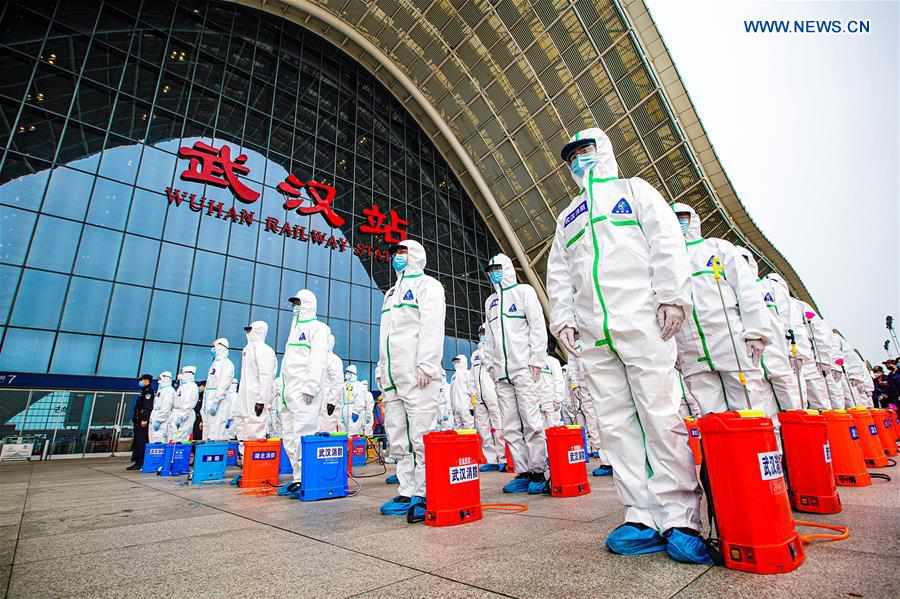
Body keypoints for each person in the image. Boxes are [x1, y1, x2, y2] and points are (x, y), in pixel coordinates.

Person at [546, 127, 708, 564]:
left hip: (642, 320)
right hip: (595, 333)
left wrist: (673, 296)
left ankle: (680, 518)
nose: (580, 160)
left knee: (660, 415)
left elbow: (666, 243)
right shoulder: (569, 217)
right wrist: (562, 319)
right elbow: (559, 274)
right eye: (573, 156)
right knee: (616, 424)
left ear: (605, 150)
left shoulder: (634, 191)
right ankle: (640, 513)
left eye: (586, 151)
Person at [671, 203, 775, 419]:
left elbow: (746, 291)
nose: (679, 223)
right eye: (674, 218)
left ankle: (761, 451)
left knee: (750, 411)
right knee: (713, 419)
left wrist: (756, 332)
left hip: (731, 343)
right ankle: (726, 453)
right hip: (692, 351)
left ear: (694, 219)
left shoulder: (717, 248)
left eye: (683, 217)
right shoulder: (667, 260)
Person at [377, 239, 445, 519]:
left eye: (402, 252)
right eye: (394, 253)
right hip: (393, 376)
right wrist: (382, 370)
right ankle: (406, 489)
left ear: (415, 255)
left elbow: (432, 325)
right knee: (398, 436)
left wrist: (427, 364)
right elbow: (386, 335)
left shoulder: (428, 286)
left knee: (420, 435)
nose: (397, 257)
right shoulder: (391, 292)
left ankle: (424, 492)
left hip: (418, 374)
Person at [483, 253, 549, 495]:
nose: (494, 272)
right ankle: (522, 471)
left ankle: (538, 469)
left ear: (508, 268)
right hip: (501, 373)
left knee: (531, 420)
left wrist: (536, 360)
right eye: (491, 269)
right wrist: (491, 366)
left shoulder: (524, 292)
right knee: (509, 425)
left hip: (524, 369)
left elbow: (537, 326)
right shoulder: (490, 302)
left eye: (499, 268)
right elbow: (489, 339)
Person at [735, 246, 802, 413]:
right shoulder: (734, 291)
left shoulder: (769, 288)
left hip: (778, 356)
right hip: (753, 361)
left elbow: (790, 322)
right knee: (765, 411)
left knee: (793, 407)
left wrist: (796, 351)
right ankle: (776, 440)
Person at [278, 289, 331, 495]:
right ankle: (297, 477)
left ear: (309, 304)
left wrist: (310, 386)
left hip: (304, 392)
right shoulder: (293, 331)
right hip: (288, 392)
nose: (296, 308)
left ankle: (307, 478)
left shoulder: (318, 328)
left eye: (299, 303)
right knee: (289, 436)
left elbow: (318, 359)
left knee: (303, 433)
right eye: (294, 304)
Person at [564, 357, 612, 477]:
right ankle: (606, 462)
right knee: (593, 426)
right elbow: (572, 366)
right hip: (585, 389)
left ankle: (617, 460)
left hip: (603, 384)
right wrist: (575, 385)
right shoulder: (573, 344)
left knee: (609, 422)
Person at [235, 321, 277, 443]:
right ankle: (244, 456)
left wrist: (262, 400)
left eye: (250, 330)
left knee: (255, 426)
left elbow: (266, 376)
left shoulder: (265, 350)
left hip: (256, 397)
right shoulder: (247, 349)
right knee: (242, 425)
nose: (248, 333)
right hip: (244, 396)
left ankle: (253, 459)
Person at [470, 326, 505, 472]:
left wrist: (486, 348)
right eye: (480, 333)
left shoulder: (493, 350)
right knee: (483, 428)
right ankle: (490, 459)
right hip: (479, 395)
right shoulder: (475, 354)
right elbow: (472, 375)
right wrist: (472, 397)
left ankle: (503, 458)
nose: (482, 336)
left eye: (484, 333)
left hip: (491, 392)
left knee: (498, 426)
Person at [203, 338, 234, 440]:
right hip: (209, 400)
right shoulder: (214, 364)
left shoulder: (227, 364)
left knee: (216, 430)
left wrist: (216, 401)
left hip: (219, 402)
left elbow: (224, 384)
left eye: (215, 347)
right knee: (208, 430)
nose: (213, 349)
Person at [128, 374, 155, 470]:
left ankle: (140, 462)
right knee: (137, 442)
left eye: (142, 380)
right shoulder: (143, 391)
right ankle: (137, 461)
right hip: (138, 421)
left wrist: (145, 419)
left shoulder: (148, 392)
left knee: (141, 442)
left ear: (147, 381)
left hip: (142, 422)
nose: (140, 382)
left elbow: (147, 407)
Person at [319, 334, 344, 432]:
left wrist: (332, 402)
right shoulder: (319, 358)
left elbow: (337, 382)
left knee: (327, 431)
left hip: (327, 403)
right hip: (318, 401)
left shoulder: (334, 359)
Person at [169, 366, 198, 443]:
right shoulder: (182, 386)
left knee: (182, 438)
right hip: (177, 413)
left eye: (182, 372)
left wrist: (182, 416)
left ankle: (181, 454)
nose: (180, 374)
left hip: (185, 415)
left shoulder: (191, 386)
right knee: (173, 437)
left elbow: (188, 403)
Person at [338, 365, 369, 435]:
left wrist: (356, 411)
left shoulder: (359, 385)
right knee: (343, 432)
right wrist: (340, 414)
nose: (346, 374)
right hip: (345, 408)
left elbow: (360, 399)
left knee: (353, 432)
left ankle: (353, 445)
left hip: (353, 409)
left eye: (348, 373)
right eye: (346, 373)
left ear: (352, 374)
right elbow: (341, 399)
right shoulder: (343, 385)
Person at [539, 354, 566, 429]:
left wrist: (558, 399)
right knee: (540, 431)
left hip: (551, 402)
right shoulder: (532, 361)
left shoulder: (553, 361)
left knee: (553, 428)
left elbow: (559, 380)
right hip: (537, 402)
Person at [449, 355, 474, 429]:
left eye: (458, 361)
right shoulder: (454, 376)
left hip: (465, 407)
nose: (456, 363)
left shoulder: (467, 374)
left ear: (463, 362)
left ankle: (470, 440)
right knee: (458, 429)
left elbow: (473, 391)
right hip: (456, 408)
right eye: (455, 362)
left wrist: (472, 406)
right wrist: (453, 408)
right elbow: (451, 393)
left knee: (469, 427)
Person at [149, 371, 174, 444]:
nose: (159, 380)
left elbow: (166, 407)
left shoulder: (169, 390)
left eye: (160, 378)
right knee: (153, 440)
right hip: (155, 417)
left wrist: (159, 420)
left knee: (159, 441)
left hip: (162, 422)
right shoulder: (161, 390)